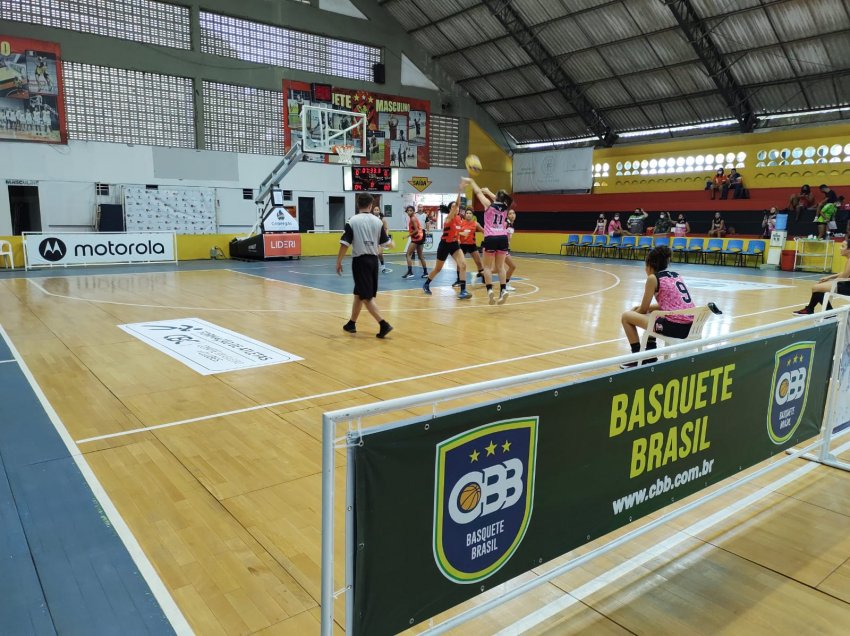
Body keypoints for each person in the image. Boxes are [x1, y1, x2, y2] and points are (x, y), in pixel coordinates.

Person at [620, 245, 695, 368]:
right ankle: (651, 354)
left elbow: (643, 310)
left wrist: (635, 312)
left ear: (650, 265)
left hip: (676, 327)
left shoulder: (653, 278)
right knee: (651, 315)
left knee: (625, 317)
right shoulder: (676, 275)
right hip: (691, 325)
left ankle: (637, 357)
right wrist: (645, 309)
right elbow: (669, 305)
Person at [336, 193, 394, 338]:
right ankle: (351, 323)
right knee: (359, 293)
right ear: (370, 205)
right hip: (374, 262)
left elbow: (345, 243)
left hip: (360, 262)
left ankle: (383, 324)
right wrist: (391, 244)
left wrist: (338, 261)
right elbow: (386, 243)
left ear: (357, 204)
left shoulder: (352, 221)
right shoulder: (378, 221)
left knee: (366, 296)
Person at [466, 178, 512, 305]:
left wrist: (472, 181)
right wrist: (490, 192)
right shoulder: (505, 207)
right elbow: (500, 199)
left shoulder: (488, 204)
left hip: (491, 237)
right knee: (501, 267)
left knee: (486, 267)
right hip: (503, 237)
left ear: (495, 197)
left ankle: (490, 290)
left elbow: (477, 192)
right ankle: (503, 290)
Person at [422, 186, 471, 300]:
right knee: (438, 269)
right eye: (454, 207)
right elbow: (457, 205)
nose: (456, 208)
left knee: (463, 265)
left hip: (454, 245)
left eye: (457, 206)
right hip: (444, 245)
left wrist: (463, 234)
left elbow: (456, 231)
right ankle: (426, 284)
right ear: (450, 209)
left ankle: (463, 291)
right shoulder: (448, 218)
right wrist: (460, 191)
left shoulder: (460, 219)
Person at [793, 241, 850, 314]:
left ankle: (828, 312)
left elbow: (844, 276)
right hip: (846, 284)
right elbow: (845, 273)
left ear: (849, 250)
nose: (840, 248)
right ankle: (812, 309)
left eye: (843, 246)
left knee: (816, 288)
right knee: (818, 288)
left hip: (847, 287)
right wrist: (829, 277)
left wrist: (831, 281)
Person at [456, 207, 485, 287]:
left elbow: (484, 231)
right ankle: (458, 280)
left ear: (472, 215)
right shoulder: (460, 223)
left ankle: (484, 279)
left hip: (472, 245)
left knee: (478, 262)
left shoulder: (475, 224)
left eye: (470, 213)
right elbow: (455, 233)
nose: (468, 215)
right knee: (459, 263)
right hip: (462, 245)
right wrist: (460, 235)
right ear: (465, 215)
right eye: (467, 213)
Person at [402, 205, 428, 279]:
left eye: (411, 210)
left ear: (413, 211)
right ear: (406, 212)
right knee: (420, 256)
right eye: (408, 210)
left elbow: (416, 230)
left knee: (408, 254)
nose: (409, 212)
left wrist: (407, 236)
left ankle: (410, 272)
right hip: (420, 237)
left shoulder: (413, 218)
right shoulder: (413, 218)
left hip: (417, 237)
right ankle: (425, 272)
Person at [371, 205, 392, 273]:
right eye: (375, 209)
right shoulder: (371, 218)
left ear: (379, 211)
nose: (376, 211)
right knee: (373, 253)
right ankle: (373, 266)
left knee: (379, 253)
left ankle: (383, 266)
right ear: (373, 211)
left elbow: (386, 228)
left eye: (377, 210)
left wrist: (385, 237)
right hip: (372, 238)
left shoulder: (382, 219)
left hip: (380, 238)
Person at [504, 208, 517, 292]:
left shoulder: (511, 224)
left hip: (506, 248)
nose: (512, 215)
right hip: (502, 248)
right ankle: (506, 284)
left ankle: (478, 274)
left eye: (513, 213)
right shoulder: (506, 223)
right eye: (510, 213)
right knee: (512, 266)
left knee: (497, 269)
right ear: (507, 215)